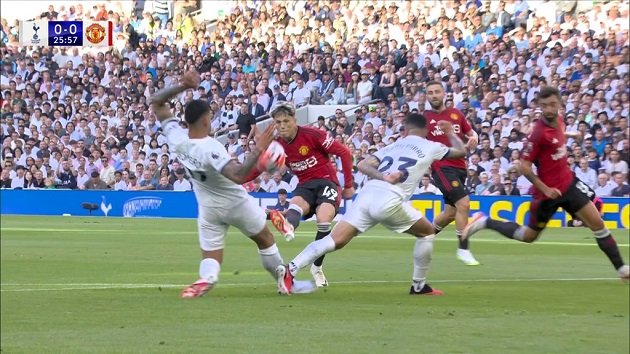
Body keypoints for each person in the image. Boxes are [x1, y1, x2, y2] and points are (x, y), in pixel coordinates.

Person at [150, 71, 316, 298]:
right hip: (235, 203)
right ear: (206, 120)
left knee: (211, 253)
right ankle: (284, 280)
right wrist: (258, 150)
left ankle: (206, 279)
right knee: (265, 239)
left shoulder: (176, 137)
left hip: (207, 207)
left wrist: (181, 86)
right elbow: (237, 176)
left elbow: (156, 101)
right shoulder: (210, 147)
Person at [276, 114, 468, 295]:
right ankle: (419, 286)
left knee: (334, 241)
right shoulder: (430, 145)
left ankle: (290, 269)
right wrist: (450, 132)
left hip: (367, 195)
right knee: (427, 232)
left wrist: (383, 176)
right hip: (390, 199)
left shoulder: (392, 146)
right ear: (425, 131)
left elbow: (362, 165)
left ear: (406, 130)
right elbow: (461, 151)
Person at [462, 87, 629, 281]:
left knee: (598, 225)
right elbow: (524, 167)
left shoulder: (558, 120)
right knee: (529, 236)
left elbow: (558, 136)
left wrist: (573, 136)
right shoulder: (537, 134)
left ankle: (622, 269)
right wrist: (545, 189)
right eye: (544, 106)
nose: (548, 109)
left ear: (559, 104)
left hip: (569, 184)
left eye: (552, 105)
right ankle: (485, 221)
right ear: (539, 107)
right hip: (546, 194)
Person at [268, 101, 355, 287]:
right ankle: (288, 226)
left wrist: (348, 184)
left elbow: (345, 153)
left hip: (326, 182)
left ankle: (316, 267)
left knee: (323, 220)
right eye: (278, 122)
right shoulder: (278, 145)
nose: (282, 126)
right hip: (305, 185)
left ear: (294, 120)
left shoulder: (313, 135)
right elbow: (272, 167)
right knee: (295, 206)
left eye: (286, 121)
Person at [424, 81, 480, 265]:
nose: (434, 95)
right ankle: (463, 249)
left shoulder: (456, 114)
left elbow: (472, 134)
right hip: (441, 167)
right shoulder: (424, 118)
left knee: (450, 212)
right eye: (430, 92)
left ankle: (426, 235)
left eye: (437, 92)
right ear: (427, 96)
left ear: (444, 93)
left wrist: (473, 138)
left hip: (460, 167)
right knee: (463, 203)